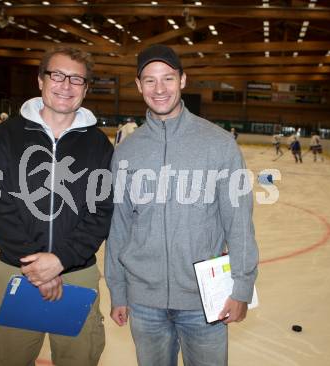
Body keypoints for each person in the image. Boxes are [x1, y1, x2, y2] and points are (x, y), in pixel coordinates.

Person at [105, 44, 259, 366]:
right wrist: (118, 291)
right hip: (144, 303)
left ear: (183, 81)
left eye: (168, 79)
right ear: (138, 86)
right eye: (149, 80)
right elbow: (119, 227)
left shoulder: (218, 144)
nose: (159, 89)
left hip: (205, 303)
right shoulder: (127, 151)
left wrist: (242, 287)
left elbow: (239, 222)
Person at [0, 46, 114, 366]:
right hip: (18, 271)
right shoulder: (6, 135)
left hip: (78, 276)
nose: (65, 85)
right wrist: (37, 265)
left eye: (76, 79)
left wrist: (60, 260)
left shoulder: (98, 144)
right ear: (40, 80)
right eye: (57, 75)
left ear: (85, 88)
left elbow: (101, 212)